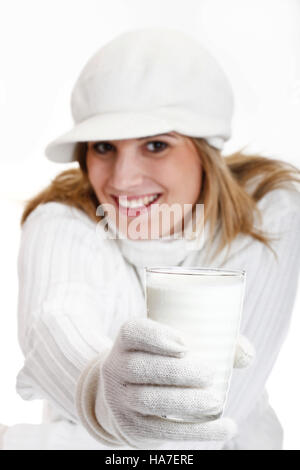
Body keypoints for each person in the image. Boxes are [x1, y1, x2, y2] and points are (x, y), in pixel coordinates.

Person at [1, 28, 300, 450]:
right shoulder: (63, 218)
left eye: (156, 144)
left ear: (205, 152)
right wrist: (98, 392)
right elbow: (54, 323)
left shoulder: (267, 213)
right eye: (103, 146)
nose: (122, 179)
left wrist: (28, 443)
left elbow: (201, 431)